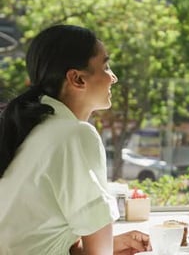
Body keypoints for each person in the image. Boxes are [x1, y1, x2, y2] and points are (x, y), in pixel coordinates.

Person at [0, 25, 150, 254]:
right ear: (77, 78)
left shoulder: (32, 131)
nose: (114, 78)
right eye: (106, 66)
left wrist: (111, 245)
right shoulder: (75, 135)